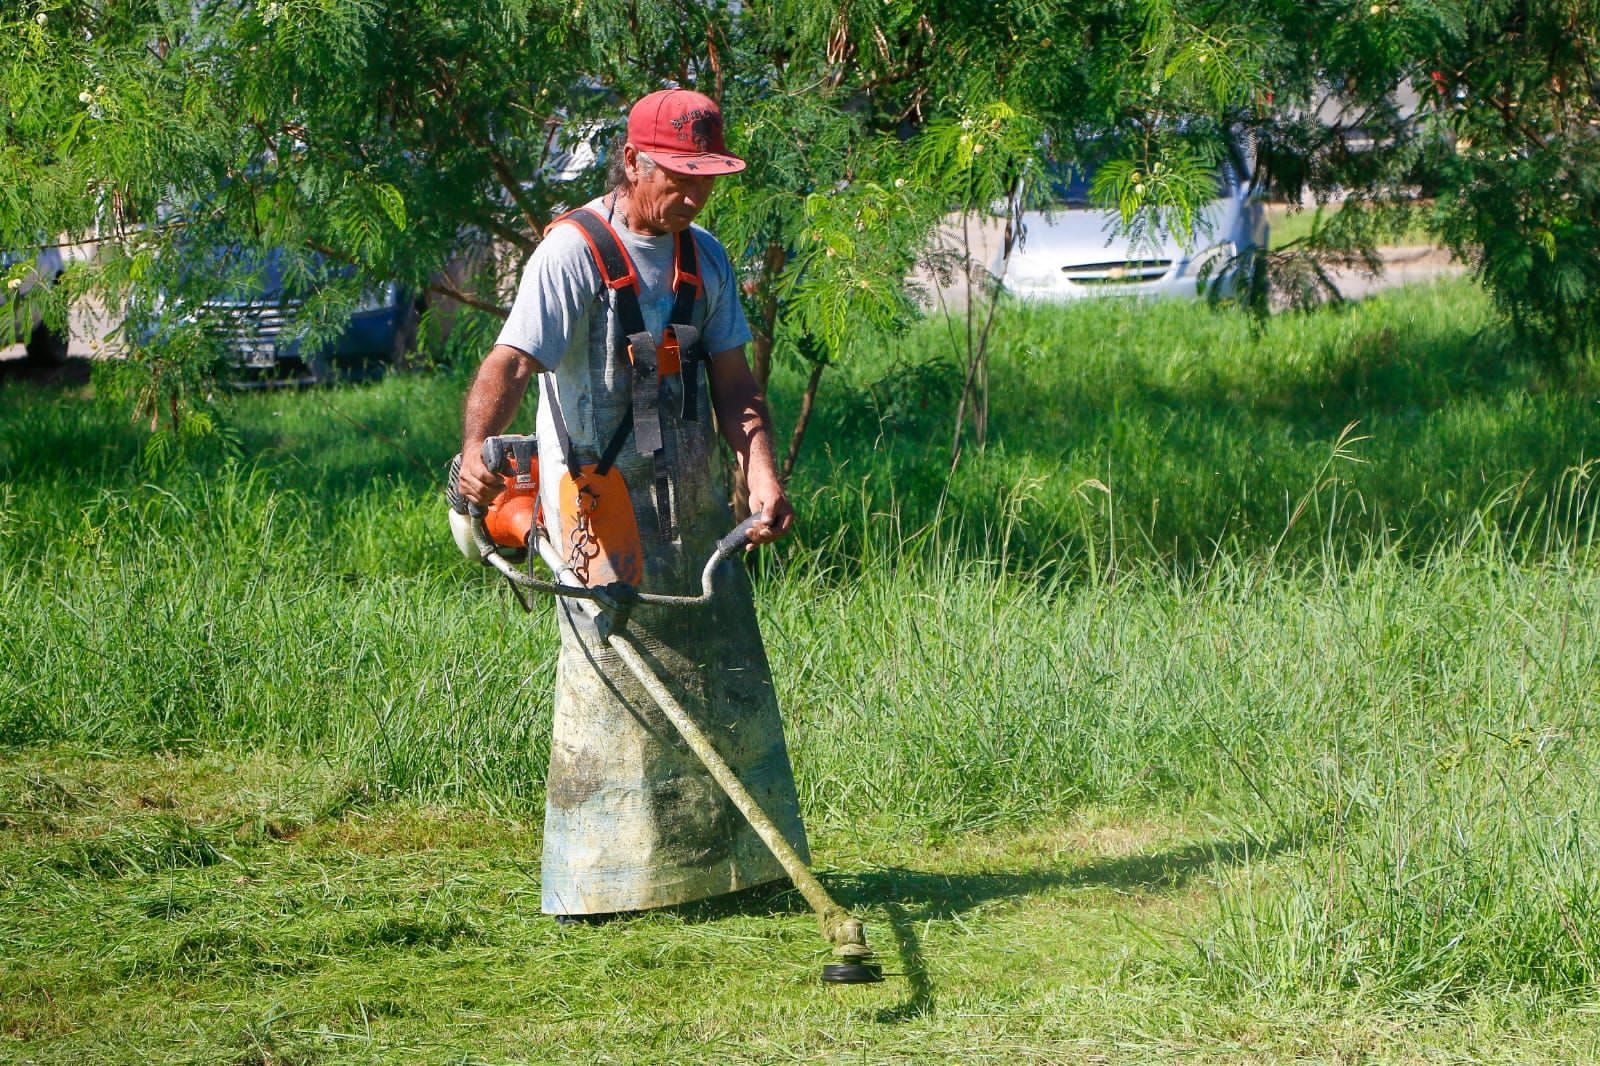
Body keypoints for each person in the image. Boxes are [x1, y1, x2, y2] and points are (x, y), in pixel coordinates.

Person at [456, 88, 809, 920]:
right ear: (631, 162)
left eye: (706, 179)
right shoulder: (574, 254)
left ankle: (733, 872)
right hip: (593, 501)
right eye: (678, 177)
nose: (692, 196)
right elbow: (509, 364)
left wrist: (759, 472)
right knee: (615, 681)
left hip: (687, 496)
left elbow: (735, 384)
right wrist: (477, 450)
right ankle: (602, 888)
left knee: (719, 673)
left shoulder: (707, 259)